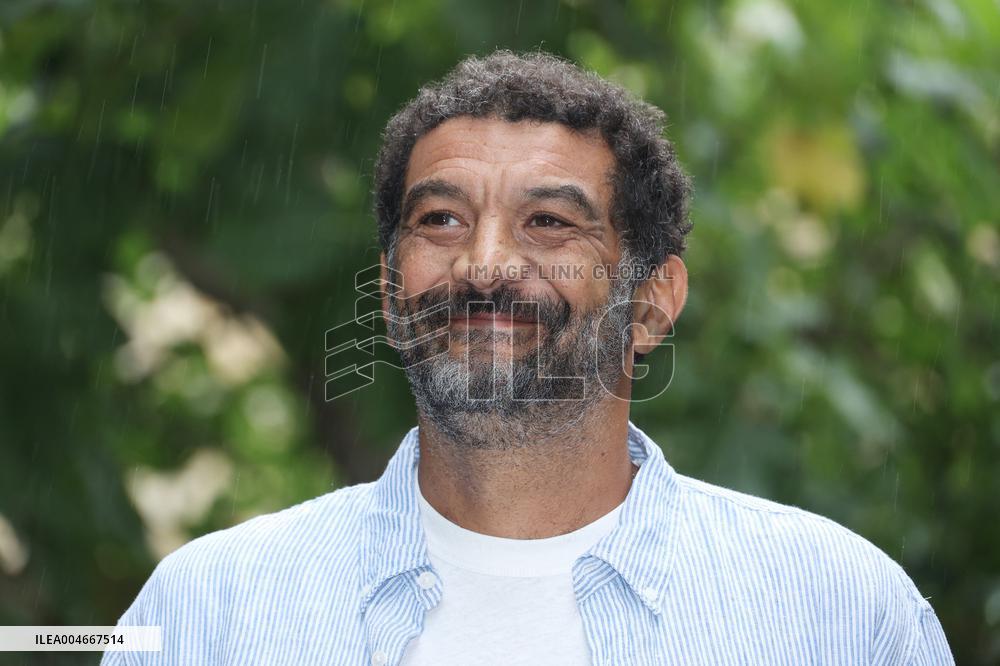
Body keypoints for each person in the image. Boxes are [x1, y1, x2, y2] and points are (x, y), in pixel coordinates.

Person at [104, 50, 953, 665]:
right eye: (440, 219)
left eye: (549, 222)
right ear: (391, 290)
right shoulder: (204, 614)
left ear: (653, 302)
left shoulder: (838, 614)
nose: (483, 264)